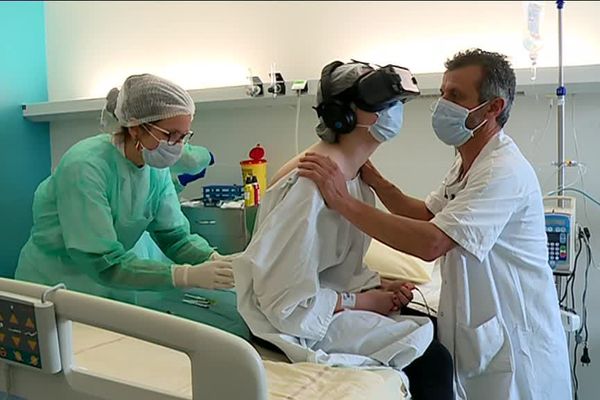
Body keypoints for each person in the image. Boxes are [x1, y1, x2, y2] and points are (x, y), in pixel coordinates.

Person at [299, 49, 572, 399]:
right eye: (443, 93)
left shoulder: (502, 171)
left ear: (493, 108)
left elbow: (432, 242)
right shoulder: (468, 162)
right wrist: (375, 181)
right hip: (479, 339)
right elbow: (428, 216)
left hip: (519, 354)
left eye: (456, 96)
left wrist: (343, 201)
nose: (443, 104)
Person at [234, 61, 453, 400]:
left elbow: (336, 266)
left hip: (320, 305)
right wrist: (362, 300)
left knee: (431, 327)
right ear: (343, 116)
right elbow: (283, 300)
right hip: (292, 322)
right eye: (385, 105)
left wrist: (378, 286)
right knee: (432, 359)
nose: (395, 113)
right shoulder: (312, 183)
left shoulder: (353, 178)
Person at [16, 74, 235, 306]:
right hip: (54, 288)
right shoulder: (85, 167)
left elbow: (174, 237)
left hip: (108, 289)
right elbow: (101, 260)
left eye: (183, 137)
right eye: (170, 135)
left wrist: (212, 258)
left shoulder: (155, 169)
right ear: (135, 128)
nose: (178, 146)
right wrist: (184, 275)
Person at [132, 143, 215, 263]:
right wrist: (207, 156)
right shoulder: (102, 165)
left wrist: (179, 182)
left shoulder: (156, 170)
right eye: (174, 134)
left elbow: (156, 191)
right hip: (129, 247)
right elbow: (191, 159)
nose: (179, 142)